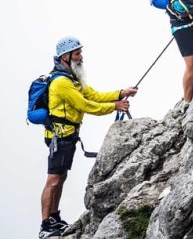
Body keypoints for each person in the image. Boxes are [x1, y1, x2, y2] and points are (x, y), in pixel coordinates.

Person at [39, 36, 137, 238]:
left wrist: (120, 93)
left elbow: (93, 95)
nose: (80, 57)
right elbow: (85, 105)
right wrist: (114, 107)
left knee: (61, 178)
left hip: (68, 136)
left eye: (79, 53)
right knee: (53, 181)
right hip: (60, 137)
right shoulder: (61, 83)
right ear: (65, 57)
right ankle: (45, 226)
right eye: (77, 53)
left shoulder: (73, 79)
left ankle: (54, 218)